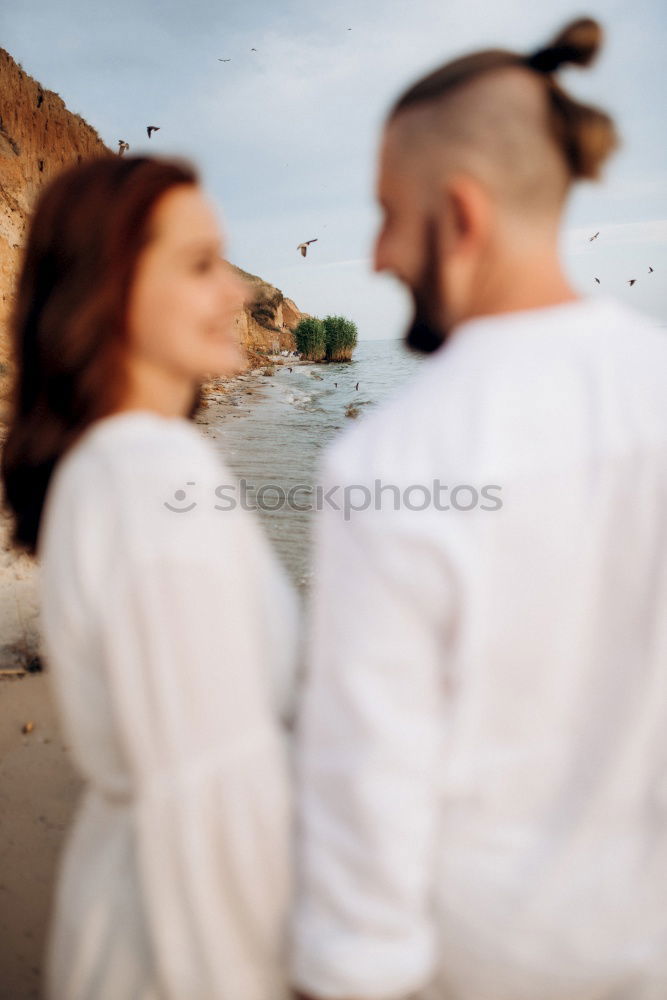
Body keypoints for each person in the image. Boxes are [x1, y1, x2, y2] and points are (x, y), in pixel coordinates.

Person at [292, 17, 667, 1000]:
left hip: (486, 964)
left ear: (458, 215)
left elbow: (368, 802)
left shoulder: (384, 461)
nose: (374, 256)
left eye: (384, 214)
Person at [1, 155, 299, 999]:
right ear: (113, 289)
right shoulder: (150, 476)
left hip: (136, 919)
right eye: (201, 265)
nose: (236, 295)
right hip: (187, 954)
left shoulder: (111, 465)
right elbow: (205, 804)